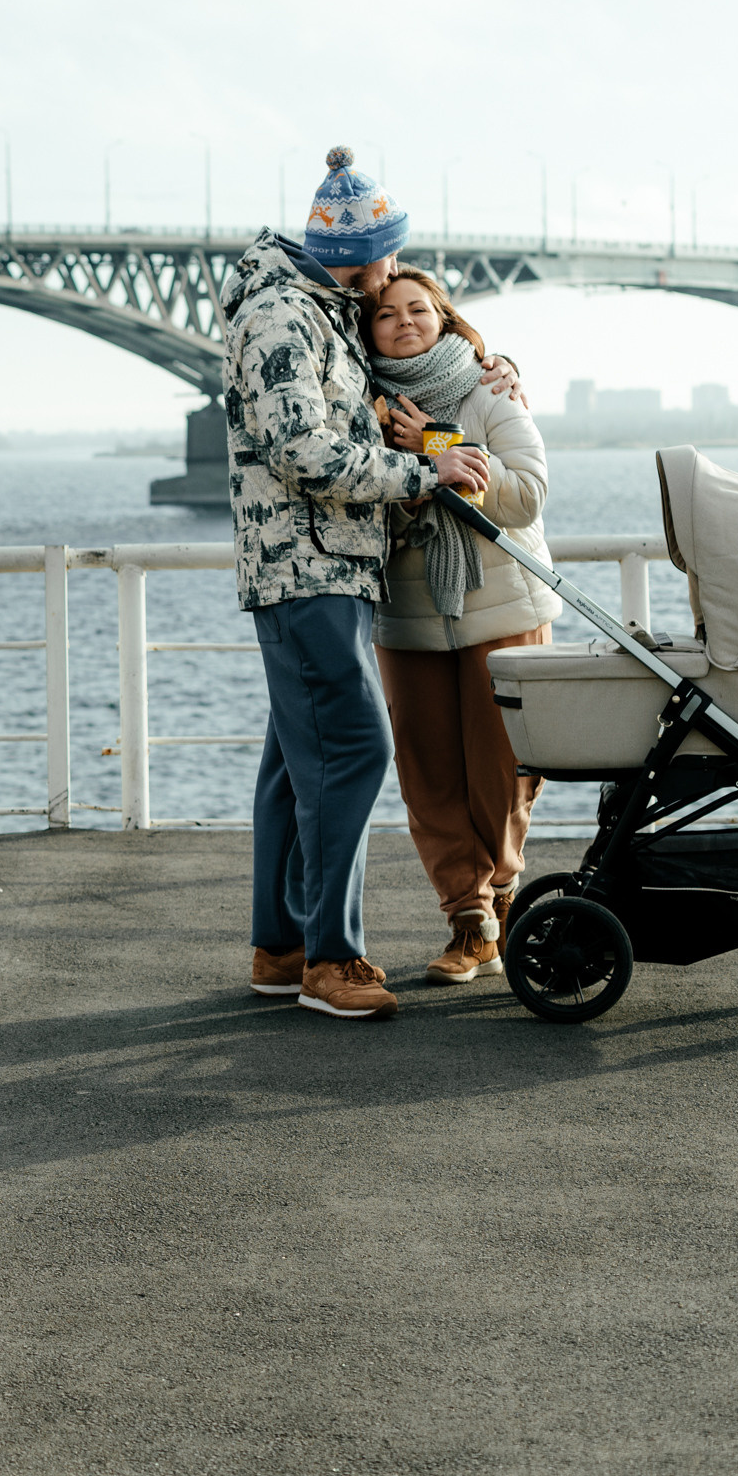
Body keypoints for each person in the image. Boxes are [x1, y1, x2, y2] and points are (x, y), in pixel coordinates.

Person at [221, 148, 509, 1021]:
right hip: (305, 562)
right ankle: (331, 959)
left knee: (292, 763)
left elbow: (381, 397)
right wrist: (423, 475)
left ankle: (281, 948)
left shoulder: (322, 308)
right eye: (391, 259)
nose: (392, 279)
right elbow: (303, 450)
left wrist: (489, 370)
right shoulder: (282, 313)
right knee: (356, 748)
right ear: (370, 252)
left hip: (330, 560)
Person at [365, 268, 562, 983]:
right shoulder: (361, 407)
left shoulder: (489, 389)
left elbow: (528, 495)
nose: (406, 321)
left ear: (446, 319)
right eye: (388, 314)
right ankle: (470, 920)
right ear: (370, 329)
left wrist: (438, 445)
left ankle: (505, 889)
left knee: (501, 770)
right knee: (427, 774)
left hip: (503, 608)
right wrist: (413, 472)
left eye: (420, 309)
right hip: (409, 616)